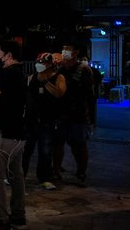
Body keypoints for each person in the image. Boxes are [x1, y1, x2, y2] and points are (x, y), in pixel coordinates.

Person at [0, 40, 28, 230]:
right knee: (16, 176)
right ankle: (19, 215)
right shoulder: (21, 73)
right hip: (19, 132)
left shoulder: (9, 74)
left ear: (8, 55)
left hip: (4, 133)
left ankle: (1, 219)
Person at [22, 53, 66, 191]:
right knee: (25, 150)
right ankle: (19, 176)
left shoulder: (58, 78)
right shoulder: (32, 77)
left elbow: (59, 93)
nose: (39, 65)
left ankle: (44, 178)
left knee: (45, 151)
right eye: (39, 62)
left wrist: (46, 81)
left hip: (47, 121)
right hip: (31, 121)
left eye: (43, 63)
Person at [53, 44, 95, 187]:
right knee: (58, 143)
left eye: (68, 49)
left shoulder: (83, 69)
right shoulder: (61, 68)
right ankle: (56, 171)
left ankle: (81, 171)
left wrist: (92, 118)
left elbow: (89, 95)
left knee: (78, 144)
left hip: (78, 114)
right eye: (63, 49)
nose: (64, 52)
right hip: (61, 113)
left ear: (75, 52)